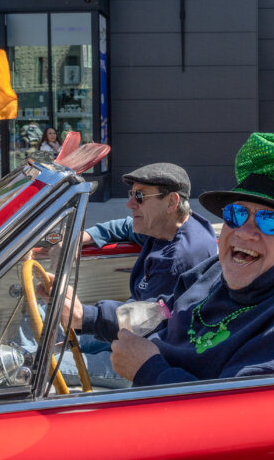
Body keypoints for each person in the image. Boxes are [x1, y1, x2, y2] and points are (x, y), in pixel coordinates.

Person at [63, 133, 274, 386]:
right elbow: (162, 312)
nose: (245, 232)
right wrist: (86, 316)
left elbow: (239, 427)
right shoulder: (216, 270)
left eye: (269, 221)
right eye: (237, 214)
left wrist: (149, 370)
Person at [58, 162, 218, 387]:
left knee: (51, 364)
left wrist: (84, 316)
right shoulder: (166, 226)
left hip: (154, 355)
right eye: (132, 194)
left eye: (140, 196)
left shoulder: (180, 258)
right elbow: (125, 227)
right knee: (61, 339)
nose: (130, 204)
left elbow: (151, 316)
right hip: (136, 333)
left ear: (171, 202)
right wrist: (83, 237)